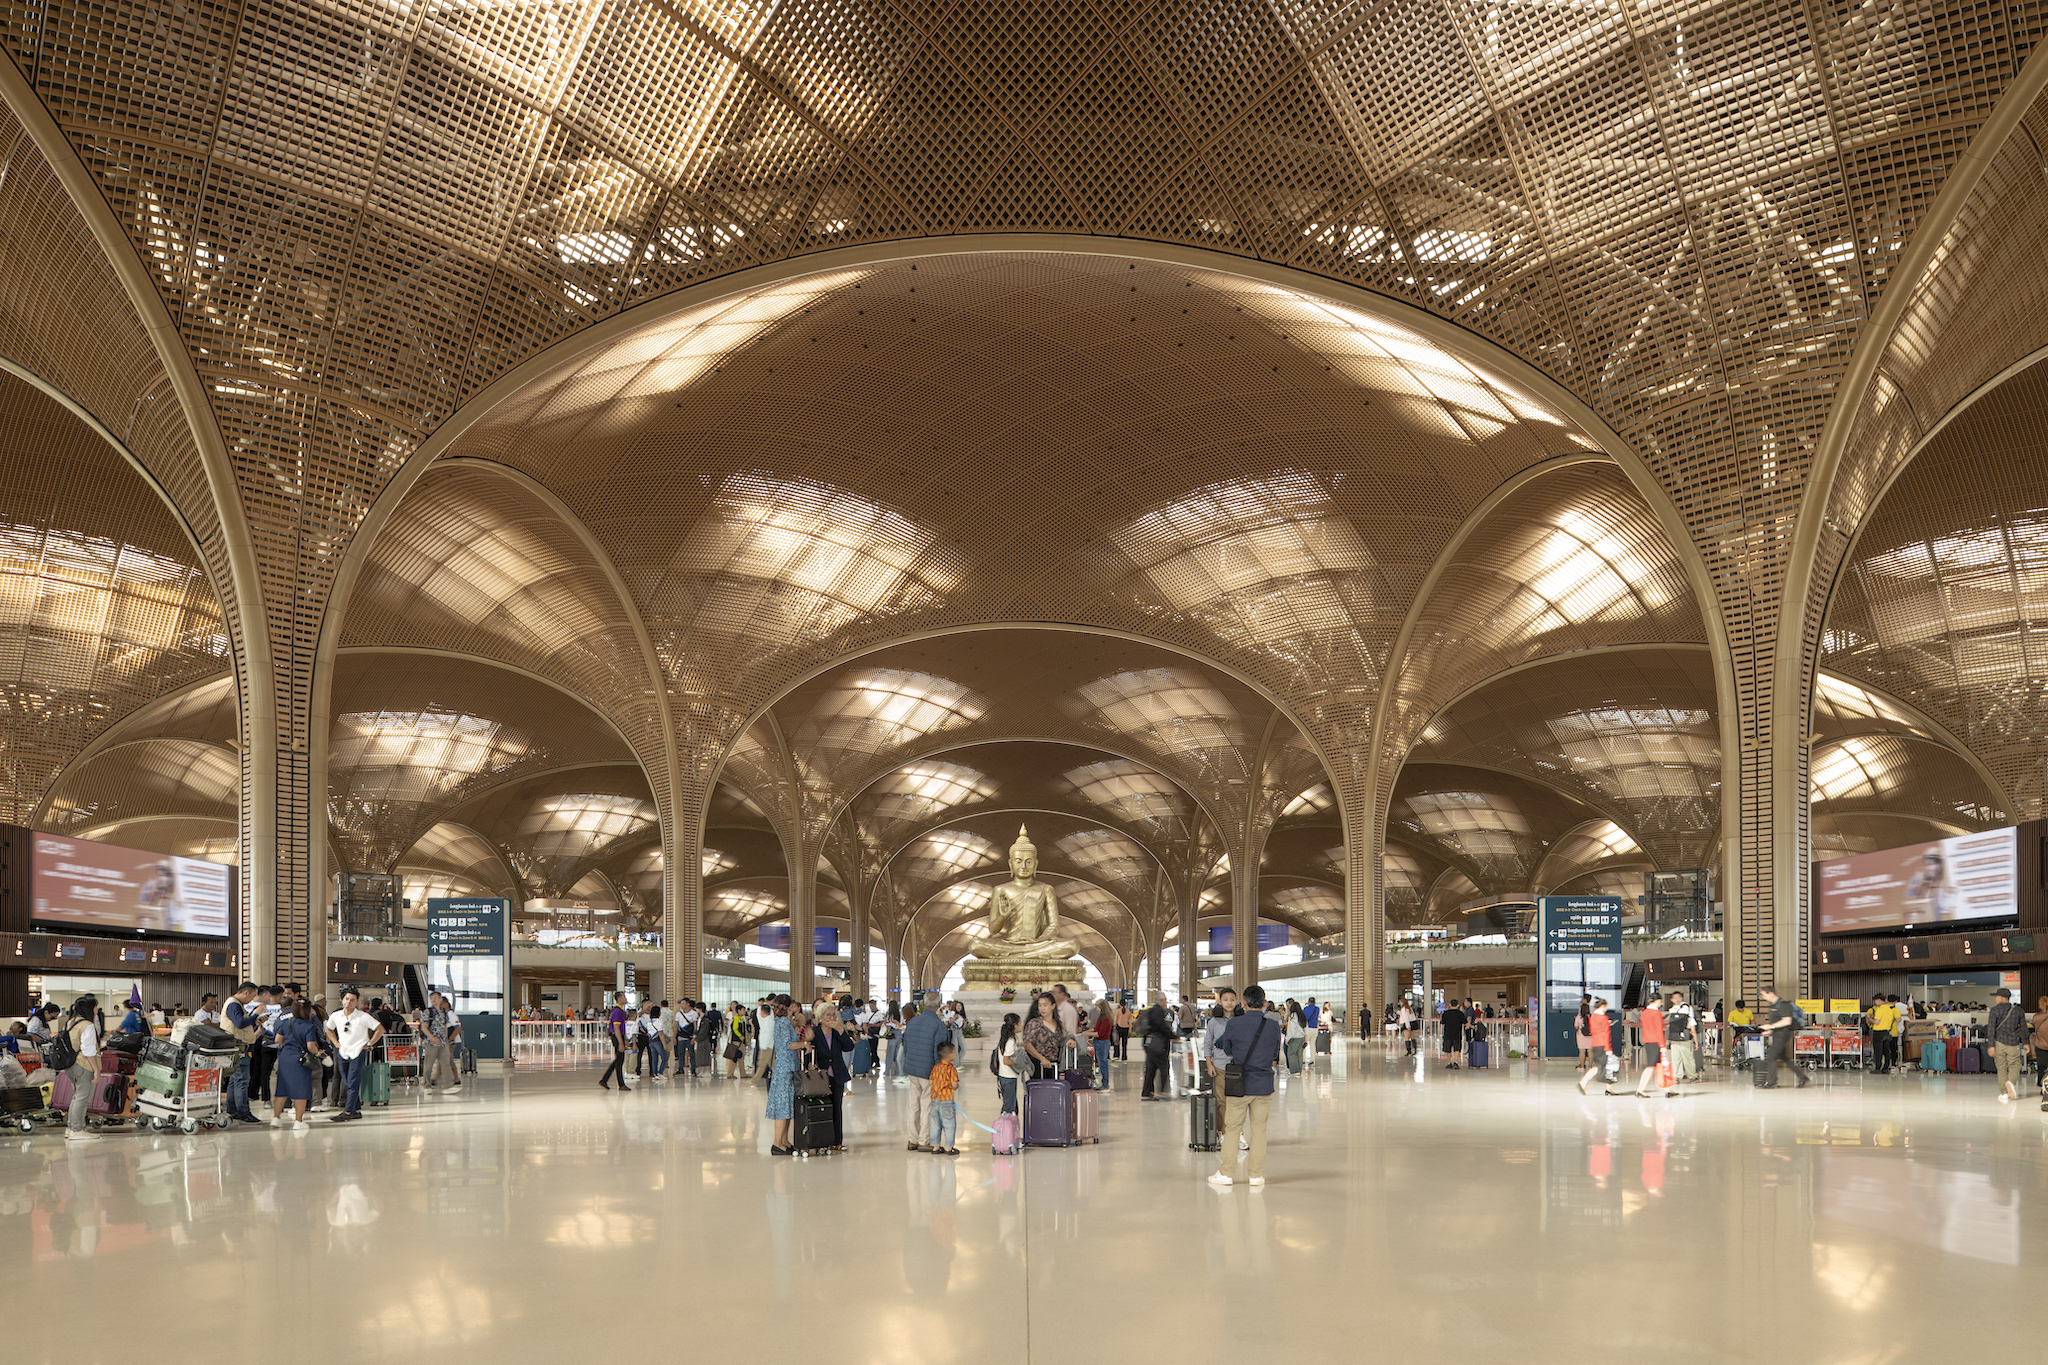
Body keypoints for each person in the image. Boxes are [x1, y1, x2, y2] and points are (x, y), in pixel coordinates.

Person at [1206, 984, 1283, 1187]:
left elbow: (1228, 1050)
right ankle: (1256, 1176)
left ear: (1244, 1003)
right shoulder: (1273, 1025)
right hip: (1264, 1085)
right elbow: (1275, 1055)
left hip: (1239, 1085)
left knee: (1232, 1129)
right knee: (1259, 1131)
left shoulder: (1234, 1024)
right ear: (1265, 1003)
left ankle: (1226, 1173)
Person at [324, 989, 385, 1122]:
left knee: (352, 1082)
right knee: (346, 1081)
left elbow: (380, 1029)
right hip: (342, 1051)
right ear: (342, 1000)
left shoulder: (363, 1016)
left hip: (358, 1051)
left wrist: (370, 1043)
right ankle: (356, 1109)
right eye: (346, 999)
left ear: (357, 1002)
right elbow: (329, 1029)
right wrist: (335, 1042)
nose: (349, 1002)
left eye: (352, 1000)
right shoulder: (336, 1015)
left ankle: (347, 1111)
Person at [900, 995, 949, 1152]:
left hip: (913, 1070)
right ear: (939, 1005)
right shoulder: (938, 1025)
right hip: (929, 1071)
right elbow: (940, 1052)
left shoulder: (913, 1022)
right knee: (928, 1105)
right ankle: (924, 1141)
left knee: (914, 1104)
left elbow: (906, 1045)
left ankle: (912, 1140)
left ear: (922, 1004)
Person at [270, 999, 326, 1130]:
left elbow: (278, 1039)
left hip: (285, 1058)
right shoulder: (309, 1026)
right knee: (301, 1091)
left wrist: (289, 1046)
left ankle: (276, 1118)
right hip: (300, 1060)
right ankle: (298, 1121)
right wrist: (318, 1053)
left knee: (281, 1090)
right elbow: (311, 1046)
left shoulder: (286, 1022)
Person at [56, 995, 101, 1143]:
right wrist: (96, 1069)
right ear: (90, 1008)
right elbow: (89, 1050)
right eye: (95, 1006)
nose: (96, 1009)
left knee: (77, 1096)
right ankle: (77, 1129)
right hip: (83, 1064)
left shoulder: (70, 1022)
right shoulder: (87, 1025)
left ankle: (71, 1128)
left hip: (71, 1064)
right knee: (82, 1096)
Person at [220, 981, 263, 1123]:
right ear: (246, 993)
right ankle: (243, 1112)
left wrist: (256, 1020)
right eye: (252, 996)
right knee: (241, 1081)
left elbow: (241, 1024)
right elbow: (239, 1023)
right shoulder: (233, 1004)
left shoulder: (236, 1004)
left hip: (237, 1047)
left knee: (234, 1081)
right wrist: (256, 1014)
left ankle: (233, 1110)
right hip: (238, 1049)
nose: (252, 999)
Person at [1614, 993, 1670, 1098]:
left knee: (1659, 1066)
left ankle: (1668, 1089)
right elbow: (1658, 1030)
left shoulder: (1644, 1013)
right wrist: (1663, 1045)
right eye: (1660, 1001)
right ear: (1656, 1001)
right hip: (1656, 1042)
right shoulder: (1656, 1013)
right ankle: (1640, 1090)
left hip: (1648, 1041)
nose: (1661, 1003)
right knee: (1651, 1067)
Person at [766, 996, 801, 1155]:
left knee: (787, 1105)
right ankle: (777, 1143)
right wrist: (805, 1043)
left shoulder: (782, 1022)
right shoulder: (783, 1023)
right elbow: (788, 1045)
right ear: (789, 1006)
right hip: (785, 1068)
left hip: (787, 1066)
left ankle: (784, 1141)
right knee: (782, 1105)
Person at [1755, 986, 1809, 1089]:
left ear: (1770, 993)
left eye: (1764, 994)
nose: (1762, 997)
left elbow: (1787, 1021)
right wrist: (1770, 1031)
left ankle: (1771, 1082)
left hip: (1783, 1034)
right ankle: (1802, 1077)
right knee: (1785, 1058)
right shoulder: (1773, 1005)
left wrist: (1770, 1026)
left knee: (1771, 1056)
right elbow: (1777, 1022)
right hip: (1777, 1034)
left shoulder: (1783, 1004)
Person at [1988, 988, 2027, 1103]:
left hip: (1999, 1043)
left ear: (2000, 997)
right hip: (2014, 1043)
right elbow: (2024, 1028)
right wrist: (2026, 1043)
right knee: (2015, 1064)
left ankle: (2004, 1093)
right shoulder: (2018, 1011)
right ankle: (2011, 1082)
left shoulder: (1994, 1010)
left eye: (1996, 996)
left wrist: (1991, 1045)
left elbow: (1991, 1029)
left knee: (2001, 1067)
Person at [419, 991, 462, 1092]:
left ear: (440, 999)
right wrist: (431, 1037)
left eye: (435, 997)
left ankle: (448, 1086)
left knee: (445, 1063)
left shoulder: (444, 1012)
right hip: (430, 1043)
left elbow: (445, 1026)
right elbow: (423, 1026)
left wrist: (446, 1040)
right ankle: (427, 1086)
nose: (433, 1000)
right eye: (431, 998)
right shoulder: (427, 1012)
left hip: (443, 1043)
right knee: (429, 1065)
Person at [1020, 991, 1064, 1084]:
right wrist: (1042, 1058)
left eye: (1045, 1005)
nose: (1042, 1008)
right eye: (1040, 1005)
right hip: (1038, 1064)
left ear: (1053, 1006)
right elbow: (1027, 1044)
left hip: (1054, 1064)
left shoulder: (1058, 1024)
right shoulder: (1035, 1023)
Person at [927, 1040, 961, 1155]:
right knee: (949, 1124)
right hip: (946, 1100)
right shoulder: (951, 1069)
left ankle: (936, 1147)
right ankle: (948, 1147)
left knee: (935, 1124)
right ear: (949, 1055)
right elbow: (954, 1085)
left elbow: (930, 1082)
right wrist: (955, 1087)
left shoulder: (935, 1067)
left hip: (934, 1100)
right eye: (955, 1052)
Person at [1577, 998, 1615, 1095]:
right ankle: (1583, 1082)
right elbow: (1605, 1034)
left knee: (1604, 1066)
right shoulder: (1604, 1018)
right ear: (1602, 1006)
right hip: (1603, 1044)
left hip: (1595, 1043)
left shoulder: (1593, 1017)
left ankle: (1608, 1088)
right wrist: (1608, 1048)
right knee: (1603, 1066)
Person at [1140, 992, 1173, 1100]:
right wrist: (1173, 1036)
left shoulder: (1151, 1010)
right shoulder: (1158, 1011)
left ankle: (1146, 1092)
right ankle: (1161, 1092)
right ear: (1162, 1000)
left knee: (1150, 1068)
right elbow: (1162, 1027)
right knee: (1164, 1067)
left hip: (1149, 1044)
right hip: (1158, 1045)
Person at [1666, 993, 1702, 1083]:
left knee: (1675, 1059)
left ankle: (1676, 1077)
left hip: (1674, 1038)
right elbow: (1692, 1027)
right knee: (1688, 1058)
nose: (1677, 999)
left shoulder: (1672, 1010)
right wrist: (1696, 1041)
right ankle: (1692, 1076)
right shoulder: (1688, 1009)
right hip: (1685, 1038)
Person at [599, 996, 630, 1091]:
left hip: (619, 1036)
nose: (625, 998)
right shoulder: (617, 1011)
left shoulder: (620, 1011)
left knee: (619, 1060)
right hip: (617, 1037)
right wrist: (620, 1042)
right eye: (624, 996)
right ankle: (619, 1084)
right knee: (619, 1060)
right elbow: (616, 1028)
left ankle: (605, 1080)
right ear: (619, 999)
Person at [995, 1012, 1022, 1114]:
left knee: (1011, 1105)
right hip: (1009, 1077)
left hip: (1004, 1075)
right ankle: (1003, 1126)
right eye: (1020, 1023)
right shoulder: (1011, 1041)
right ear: (1015, 1025)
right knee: (1008, 1107)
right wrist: (1018, 1062)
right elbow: (1006, 1060)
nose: (1021, 1026)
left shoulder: (1004, 1039)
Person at [1867, 994, 1898, 1074]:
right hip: (1887, 1032)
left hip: (1878, 1031)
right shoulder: (1890, 1009)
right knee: (1886, 1050)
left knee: (1878, 1051)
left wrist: (1870, 1019)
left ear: (1879, 1000)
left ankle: (1878, 1068)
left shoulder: (1880, 1010)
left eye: (1875, 1001)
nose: (1875, 1002)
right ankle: (1886, 1067)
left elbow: (1877, 1022)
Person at [1090, 998, 1115, 1088]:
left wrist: (1088, 1033)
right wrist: (1087, 1032)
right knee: (1101, 1063)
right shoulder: (1102, 1017)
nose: (1096, 1009)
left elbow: (1100, 1033)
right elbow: (1096, 1029)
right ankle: (1104, 1082)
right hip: (1100, 1042)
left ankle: (1105, 1083)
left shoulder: (1105, 1018)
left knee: (1103, 1063)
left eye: (1097, 1007)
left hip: (1102, 1042)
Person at [1439, 998, 1465, 1069]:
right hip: (1457, 1033)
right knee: (1457, 1048)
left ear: (1450, 1005)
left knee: (1448, 1049)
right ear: (1458, 1005)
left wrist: (1442, 1033)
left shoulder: (1445, 1013)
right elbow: (1464, 1022)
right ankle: (1456, 1062)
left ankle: (1449, 1062)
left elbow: (1443, 1023)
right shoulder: (1460, 1013)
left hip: (1447, 1033)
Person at [756, 997, 777, 1077]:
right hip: (767, 1045)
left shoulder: (768, 1022)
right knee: (771, 1063)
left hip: (767, 1045)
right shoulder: (768, 1020)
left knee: (763, 1064)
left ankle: (754, 1081)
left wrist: (764, 1046)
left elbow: (767, 1035)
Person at [1284, 1000, 1307, 1074]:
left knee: (1291, 1054)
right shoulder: (1302, 1016)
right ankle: (1299, 1070)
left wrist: (1287, 1039)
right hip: (1301, 1038)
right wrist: (1306, 1040)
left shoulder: (1292, 1017)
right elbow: (1306, 1029)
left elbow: (1291, 1030)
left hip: (1294, 1038)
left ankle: (1294, 1071)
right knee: (1299, 1055)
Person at [1575, 999, 1594, 1071]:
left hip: (1581, 1035)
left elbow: (1576, 1027)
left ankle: (1582, 1066)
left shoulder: (1579, 1017)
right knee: (1590, 1051)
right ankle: (1590, 1066)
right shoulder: (1592, 1017)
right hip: (1590, 1035)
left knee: (1582, 1051)